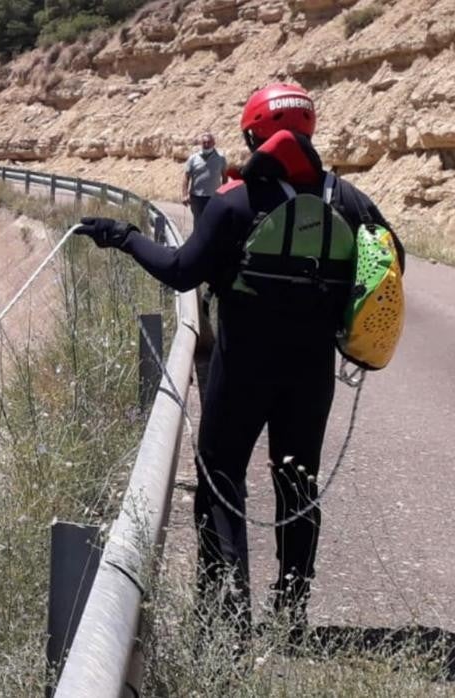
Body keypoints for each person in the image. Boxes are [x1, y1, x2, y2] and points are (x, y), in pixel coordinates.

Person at [74, 84, 403, 630]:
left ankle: (225, 614)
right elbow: (392, 264)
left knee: (222, 478)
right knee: (298, 483)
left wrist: (123, 236)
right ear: (308, 132)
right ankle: (292, 614)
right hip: (311, 373)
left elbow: (181, 270)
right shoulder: (346, 200)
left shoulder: (234, 202)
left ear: (252, 135)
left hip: (243, 367)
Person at [183, 133, 228, 222]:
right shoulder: (193, 158)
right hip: (196, 198)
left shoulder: (221, 158)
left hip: (214, 197)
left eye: (209, 142)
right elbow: (186, 177)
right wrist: (184, 195)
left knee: (213, 222)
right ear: (201, 144)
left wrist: (224, 194)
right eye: (204, 142)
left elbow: (225, 177)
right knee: (198, 222)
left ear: (214, 143)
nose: (206, 145)